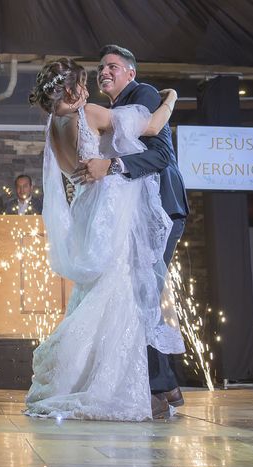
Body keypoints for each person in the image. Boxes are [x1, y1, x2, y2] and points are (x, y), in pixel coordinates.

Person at [24, 57, 185, 422]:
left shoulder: (52, 127)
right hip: (109, 211)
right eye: (84, 83)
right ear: (72, 89)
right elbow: (155, 123)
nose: (90, 88)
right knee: (123, 290)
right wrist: (172, 96)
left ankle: (102, 377)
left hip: (86, 212)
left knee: (98, 291)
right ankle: (120, 385)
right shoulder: (91, 113)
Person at [72, 44, 190, 410]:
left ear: (130, 73)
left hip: (160, 211)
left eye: (111, 66)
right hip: (133, 214)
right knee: (136, 294)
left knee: (142, 293)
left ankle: (159, 388)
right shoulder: (106, 110)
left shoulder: (145, 94)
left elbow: (161, 155)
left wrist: (110, 166)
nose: (103, 72)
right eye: (100, 68)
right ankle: (166, 386)